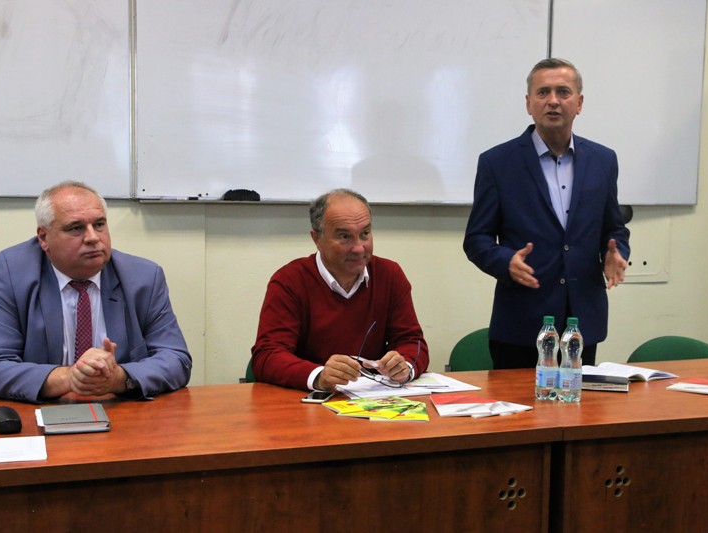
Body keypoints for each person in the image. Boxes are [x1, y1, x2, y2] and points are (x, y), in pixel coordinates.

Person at [463, 58, 630, 369]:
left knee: (578, 400)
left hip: (582, 323)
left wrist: (616, 251)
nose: (553, 101)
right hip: (521, 323)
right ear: (529, 103)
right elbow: (476, 239)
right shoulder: (497, 163)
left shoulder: (603, 160)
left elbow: (614, 228)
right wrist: (505, 261)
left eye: (563, 92)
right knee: (517, 403)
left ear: (579, 103)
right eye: (543, 92)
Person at [0, 181, 192, 402]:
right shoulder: (12, 272)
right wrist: (69, 377)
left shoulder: (143, 277)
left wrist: (120, 378)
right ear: (44, 238)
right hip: (42, 413)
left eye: (99, 224)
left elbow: (176, 359)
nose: (93, 237)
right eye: (76, 228)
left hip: (120, 412)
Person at [251, 189, 428, 391]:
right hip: (307, 401)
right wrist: (319, 376)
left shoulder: (389, 274)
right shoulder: (290, 280)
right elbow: (267, 355)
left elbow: (413, 342)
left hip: (374, 398)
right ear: (316, 239)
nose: (359, 248)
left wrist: (404, 366)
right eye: (344, 237)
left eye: (365, 234)